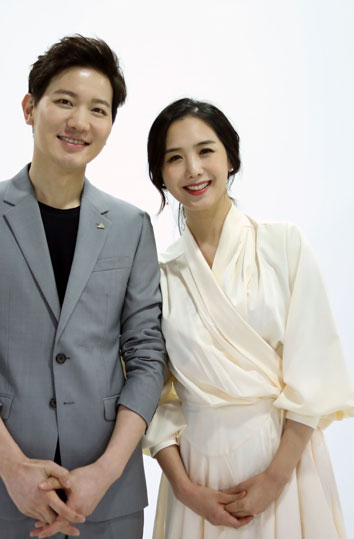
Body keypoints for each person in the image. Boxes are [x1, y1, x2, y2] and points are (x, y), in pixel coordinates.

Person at [0, 35, 166, 539]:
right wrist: (12, 468)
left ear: (110, 125)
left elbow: (147, 356)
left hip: (108, 491)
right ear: (29, 108)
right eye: (64, 101)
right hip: (0, 485)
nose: (80, 121)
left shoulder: (131, 225)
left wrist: (106, 472)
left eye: (98, 109)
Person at [143, 97, 354, 538]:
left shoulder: (283, 245)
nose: (193, 169)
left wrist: (275, 478)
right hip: (197, 473)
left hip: (285, 463)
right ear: (160, 174)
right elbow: (151, 395)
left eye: (205, 151)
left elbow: (313, 371)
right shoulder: (157, 273)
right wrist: (184, 488)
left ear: (231, 158)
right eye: (174, 158)